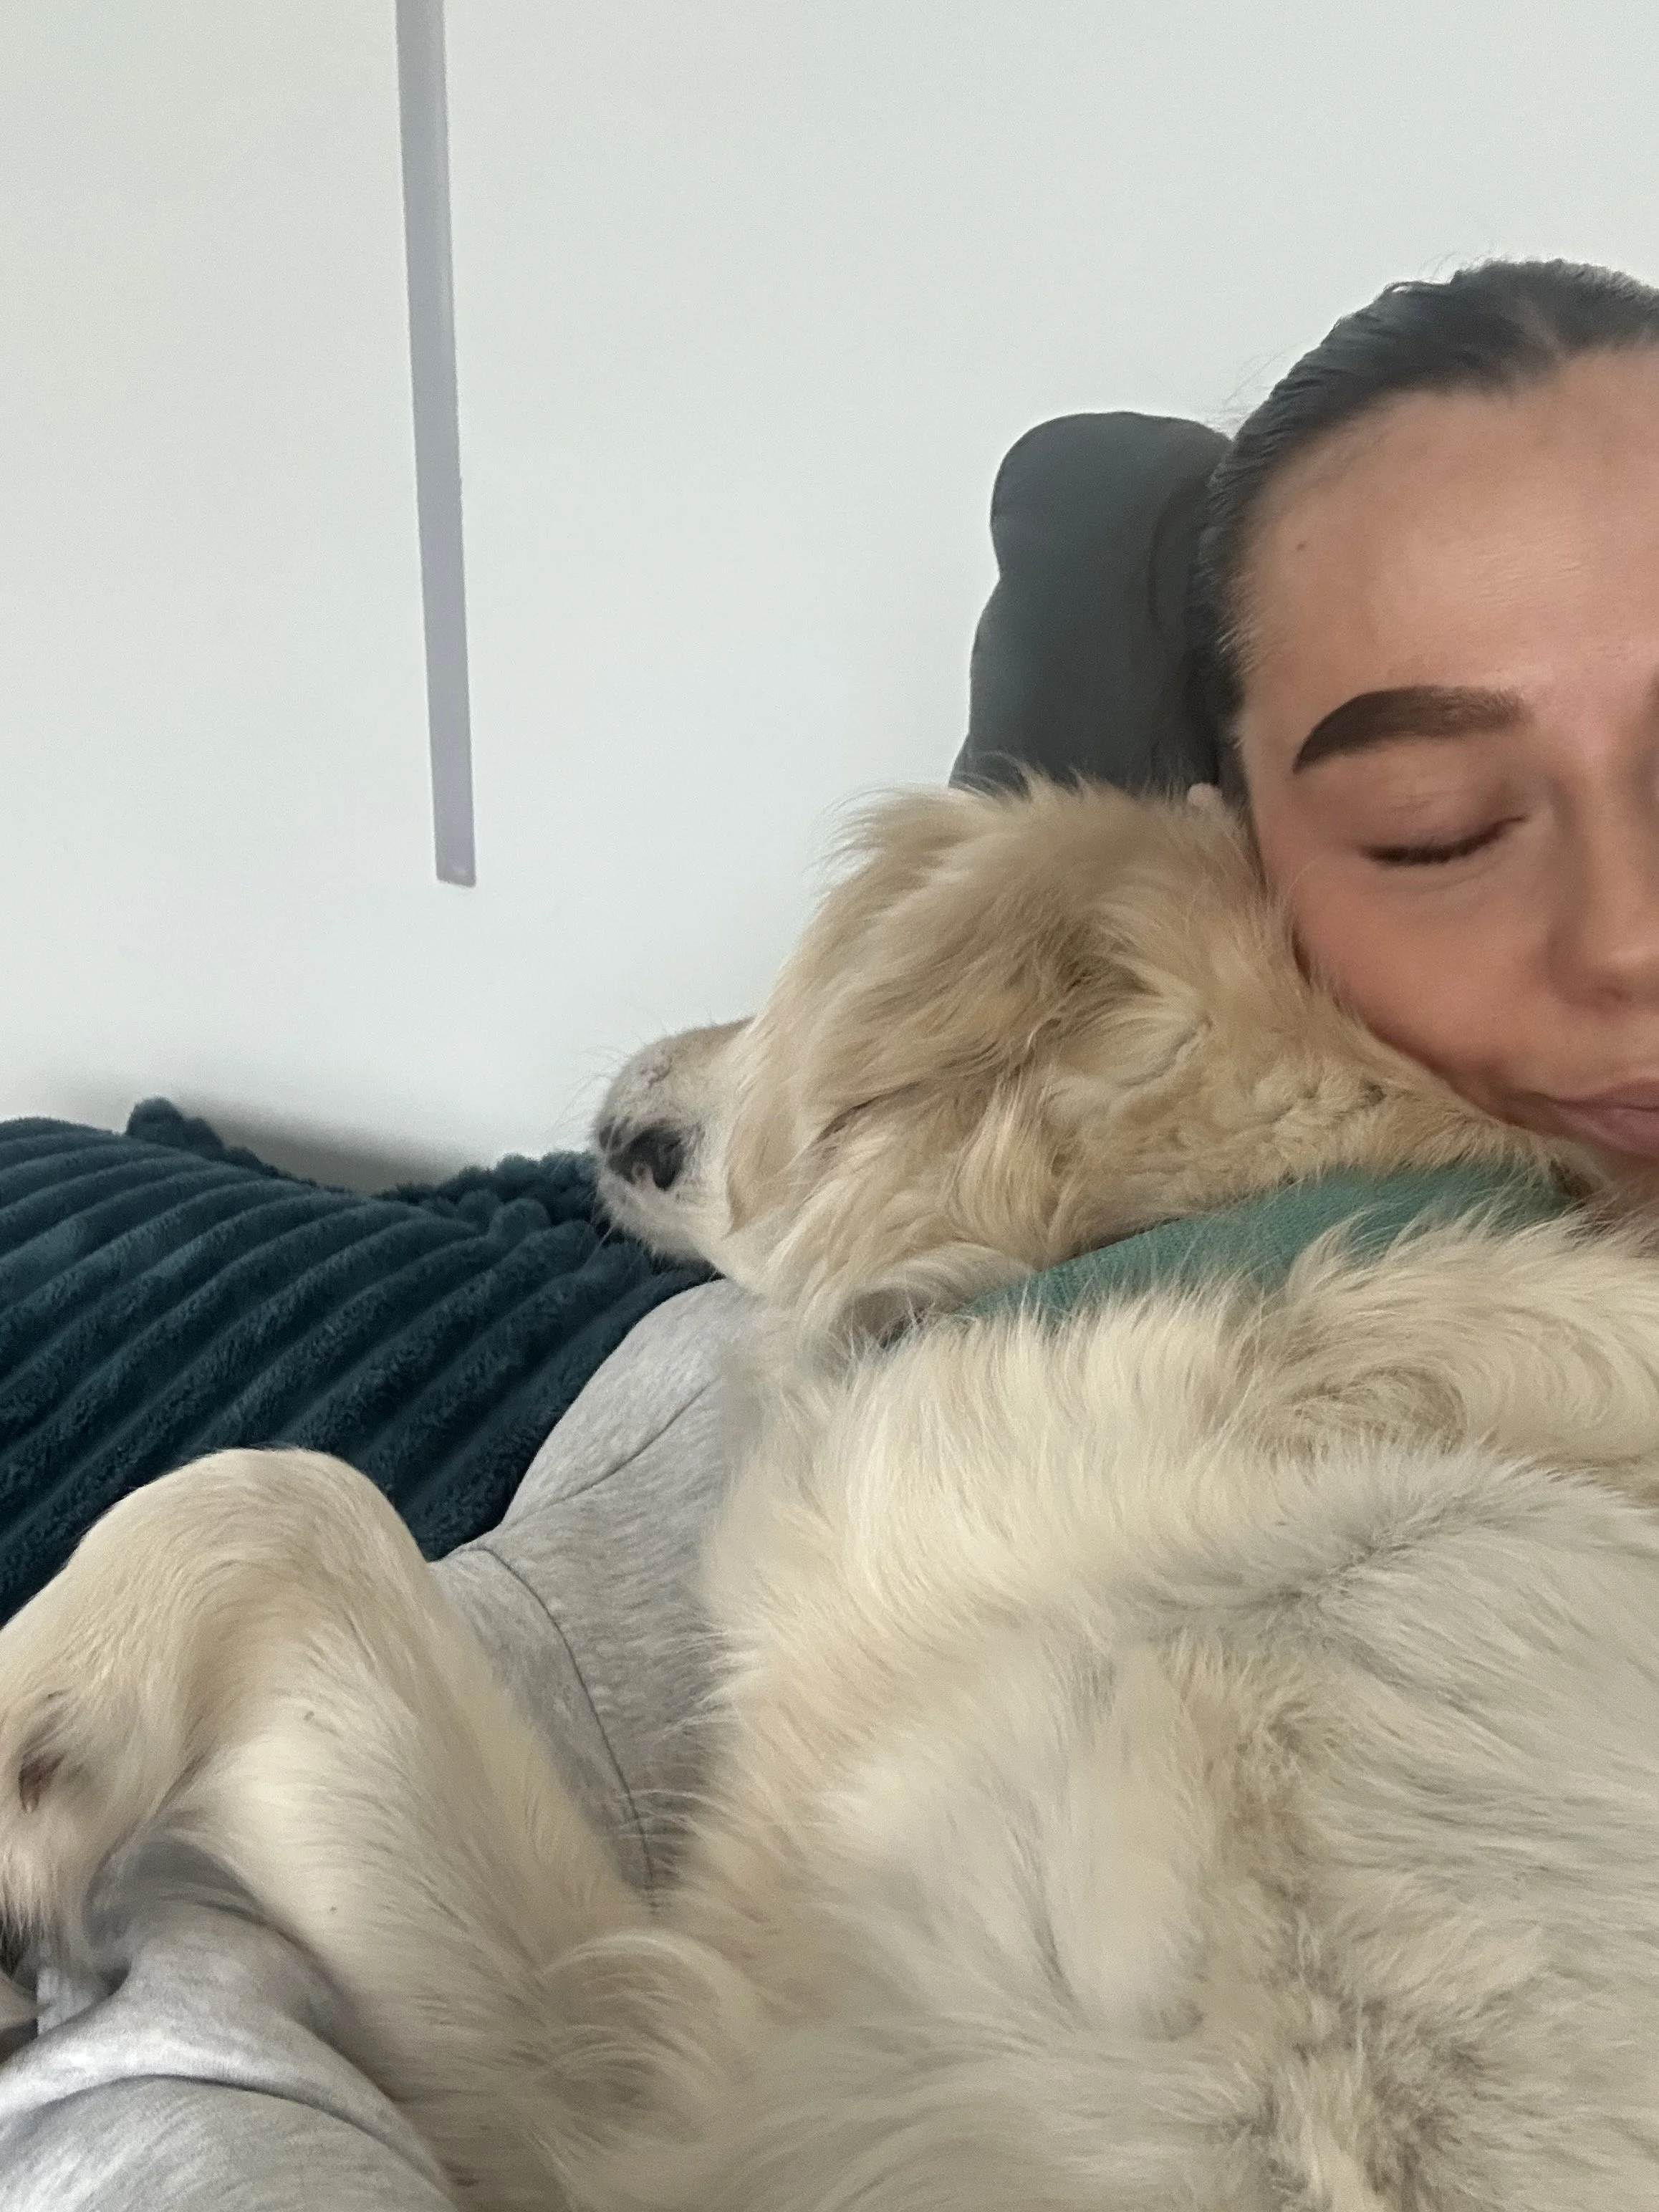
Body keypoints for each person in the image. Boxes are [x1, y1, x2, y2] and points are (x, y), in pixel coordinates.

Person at [6, 254, 1659, 2207]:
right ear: (1251, 863)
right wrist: (241, 1583)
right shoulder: (790, 1416)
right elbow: (199, 2031)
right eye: (1437, 826)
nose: (1625, 937)